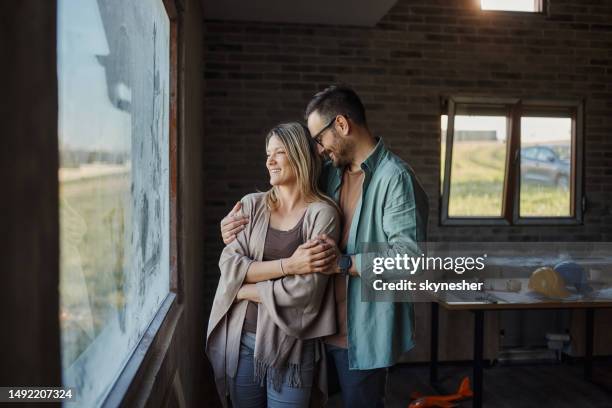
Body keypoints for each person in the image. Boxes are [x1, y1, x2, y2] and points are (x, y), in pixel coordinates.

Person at [221, 85, 429, 408]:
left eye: (320, 138)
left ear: (342, 126)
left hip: (359, 336)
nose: (318, 149)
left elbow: (408, 261)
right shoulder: (331, 173)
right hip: (311, 331)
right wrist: (232, 224)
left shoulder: (394, 179)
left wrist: (344, 264)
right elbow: (287, 196)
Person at [207, 122, 341, 408]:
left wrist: (241, 290)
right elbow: (229, 266)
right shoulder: (251, 205)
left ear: (300, 155)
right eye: (268, 153)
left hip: (292, 347)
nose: (269, 161)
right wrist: (289, 266)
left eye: (279, 152)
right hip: (241, 341)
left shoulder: (323, 214)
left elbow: (305, 293)